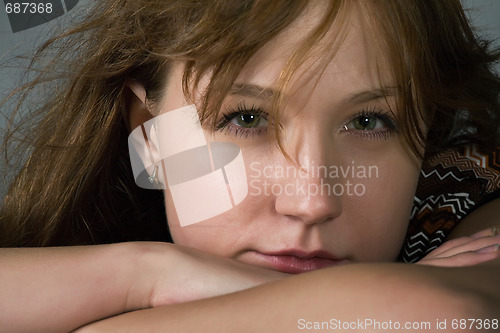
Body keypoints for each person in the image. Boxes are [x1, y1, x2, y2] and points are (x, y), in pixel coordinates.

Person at [0, 0, 499, 332]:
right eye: (246, 117)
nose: (312, 201)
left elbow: (447, 316)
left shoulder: (470, 193)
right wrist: (145, 270)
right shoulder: (91, 229)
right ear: (148, 136)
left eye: (369, 121)